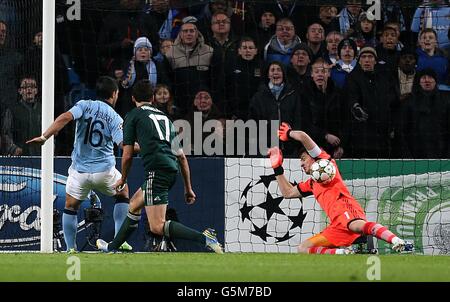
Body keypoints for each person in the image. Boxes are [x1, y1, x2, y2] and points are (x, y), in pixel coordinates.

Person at [96, 79, 223, 253]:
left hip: (156, 171)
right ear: (153, 98)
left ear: (133, 98)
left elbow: (127, 155)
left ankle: (205, 238)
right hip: (171, 169)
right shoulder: (165, 118)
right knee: (134, 205)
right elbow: (182, 157)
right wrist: (188, 188)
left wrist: (123, 179)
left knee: (157, 226)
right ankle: (112, 247)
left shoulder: (133, 115)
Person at [267, 124, 413, 254]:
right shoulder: (311, 183)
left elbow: (303, 136)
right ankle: (346, 253)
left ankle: (398, 242)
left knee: (356, 226)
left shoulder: (326, 162)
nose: (301, 163)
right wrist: (277, 168)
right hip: (336, 226)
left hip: (347, 210)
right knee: (303, 248)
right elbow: (288, 193)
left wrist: (289, 133)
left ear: (313, 157)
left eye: (303, 158)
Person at [26, 76, 134, 253]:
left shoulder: (83, 105)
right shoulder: (115, 117)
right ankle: (119, 240)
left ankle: (71, 249)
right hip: (104, 172)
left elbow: (65, 117)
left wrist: (45, 136)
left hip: (79, 172)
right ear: (114, 94)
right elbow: (123, 145)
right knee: (123, 194)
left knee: (70, 206)